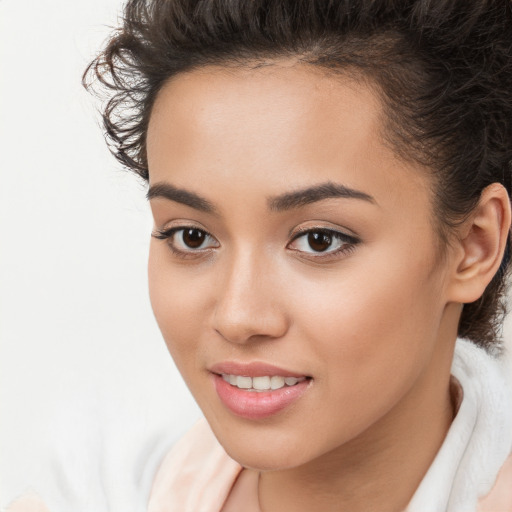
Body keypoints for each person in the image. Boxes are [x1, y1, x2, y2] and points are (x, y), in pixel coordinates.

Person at [7, 0, 512, 511]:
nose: (238, 316)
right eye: (191, 237)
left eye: (319, 240)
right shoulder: (94, 493)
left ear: (474, 246)